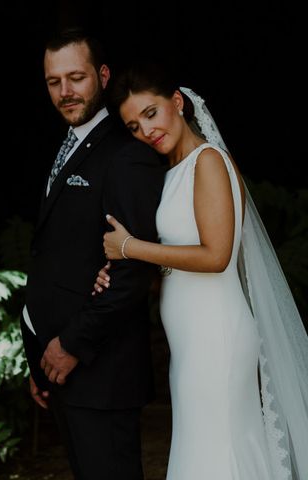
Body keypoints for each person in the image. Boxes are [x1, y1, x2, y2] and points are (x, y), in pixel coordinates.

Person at [93, 62, 308, 479]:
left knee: (218, 454)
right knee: (209, 451)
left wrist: (132, 248)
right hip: (192, 344)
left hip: (218, 340)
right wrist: (116, 266)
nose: (146, 130)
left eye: (150, 113)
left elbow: (217, 256)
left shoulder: (208, 161)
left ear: (177, 102)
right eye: (133, 126)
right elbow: (176, 260)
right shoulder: (174, 171)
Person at [20, 28, 165, 479]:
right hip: (62, 370)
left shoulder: (126, 155)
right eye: (53, 81)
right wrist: (40, 361)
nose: (65, 92)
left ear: (102, 75)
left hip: (100, 370)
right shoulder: (68, 144)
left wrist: (69, 347)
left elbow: (131, 272)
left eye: (76, 77)